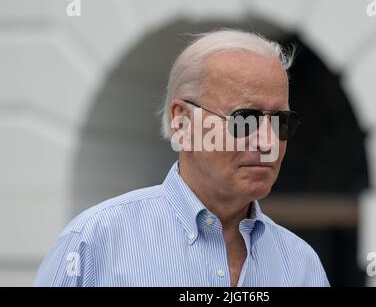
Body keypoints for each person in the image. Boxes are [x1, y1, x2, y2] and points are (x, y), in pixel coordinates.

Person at [34, 29, 329, 287]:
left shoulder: (301, 265)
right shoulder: (94, 242)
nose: (267, 141)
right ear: (182, 121)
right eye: (244, 119)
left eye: (281, 122)